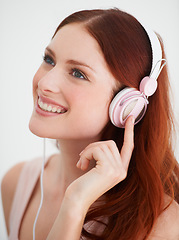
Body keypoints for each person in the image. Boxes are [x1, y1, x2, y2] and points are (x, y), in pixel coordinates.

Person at [1, 8, 179, 240]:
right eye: (49, 60)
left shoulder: (161, 224)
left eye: (78, 73)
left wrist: (76, 202)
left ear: (127, 105)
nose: (45, 82)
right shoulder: (17, 184)